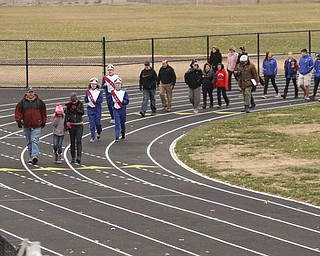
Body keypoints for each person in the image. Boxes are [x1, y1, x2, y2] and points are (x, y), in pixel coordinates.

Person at [15, 87, 47, 164]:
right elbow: (17, 111)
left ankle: (35, 156)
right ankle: (30, 155)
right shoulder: (22, 103)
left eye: (32, 92)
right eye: (29, 92)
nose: (31, 94)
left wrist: (44, 121)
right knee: (29, 141)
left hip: (36, 124)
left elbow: (43, 112)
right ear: (26, 93)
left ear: (34, 93)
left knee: (34, 140)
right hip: (27, 124)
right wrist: (18, 120)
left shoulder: (39, 102)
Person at [65, 92, 84, 164]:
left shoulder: (80, 104)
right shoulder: (68, 106)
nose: (74, 102)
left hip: (79, 125)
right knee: (72, 141)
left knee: (79, 141)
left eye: (75, 101)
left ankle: (79, 157)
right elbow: (66, 115)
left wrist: (76, 109)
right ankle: (73, 156)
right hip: (72, 125)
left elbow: (82, 112)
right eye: (72, 101)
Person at [84, 77, 103, 142]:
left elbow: (100, 100)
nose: (93, 85)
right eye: (92, 84)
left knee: (97, 123)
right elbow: (86, 99)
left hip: (97, 108)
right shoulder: (88, 92)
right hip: (90, 108)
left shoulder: (99, 92)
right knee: (91, 124)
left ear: (96, 85)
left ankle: (99, 131)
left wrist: (95, 101)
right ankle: (92, 137)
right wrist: (87, 99)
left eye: (94, 84)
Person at [112, 77, 129, 142]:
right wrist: (113, 104)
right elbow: (110, 101)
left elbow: (127, 101)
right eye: (117, 84)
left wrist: (122, 101)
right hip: (116, 109)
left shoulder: (124, 93)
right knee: (117, 123)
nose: (118, 85)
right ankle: (117, 136)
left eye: (119, 84)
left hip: (122, 109)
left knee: (122, 123)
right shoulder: (112, 93)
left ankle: (123, 133)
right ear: (114, 85)